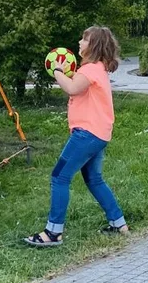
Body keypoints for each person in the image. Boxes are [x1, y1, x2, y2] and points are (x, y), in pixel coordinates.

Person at [24, 27, 128, 247]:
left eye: (84, 39)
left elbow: (71, 88)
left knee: (59, 177)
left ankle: (53, 233)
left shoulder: (90, 70)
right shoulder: (98, 68)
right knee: (94, 179)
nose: (79, 42)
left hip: (87, 134)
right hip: (98, 134)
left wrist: (58, 71)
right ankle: (119, 223)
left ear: (94, 46)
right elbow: (78, 88)